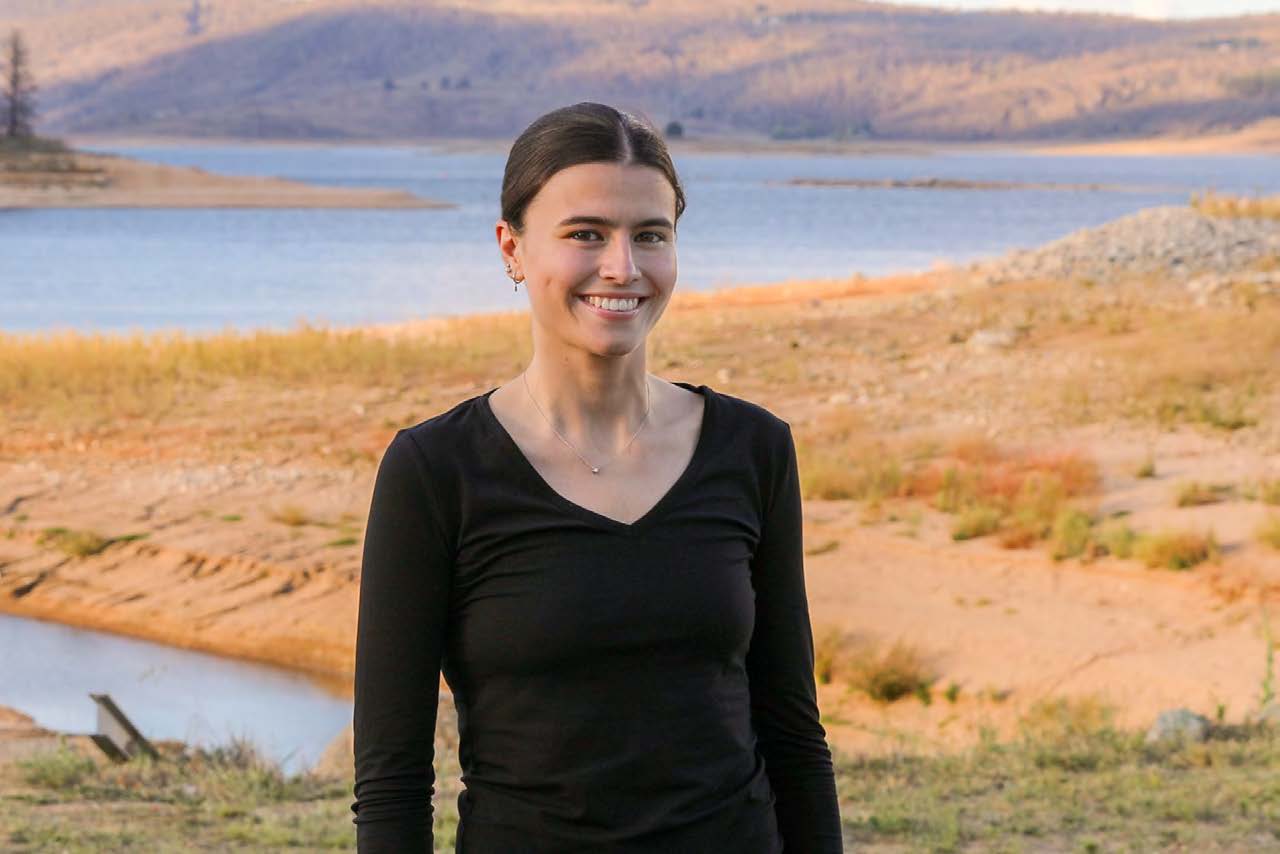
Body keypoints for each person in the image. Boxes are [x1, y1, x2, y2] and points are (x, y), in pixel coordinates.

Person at [350, 101, 842, 853]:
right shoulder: (434, 470)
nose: (624, 267)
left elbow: (794, 734)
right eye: (586, 234)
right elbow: (391, 780)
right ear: (511, 249)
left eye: (651, 235)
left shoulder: (753, 448)